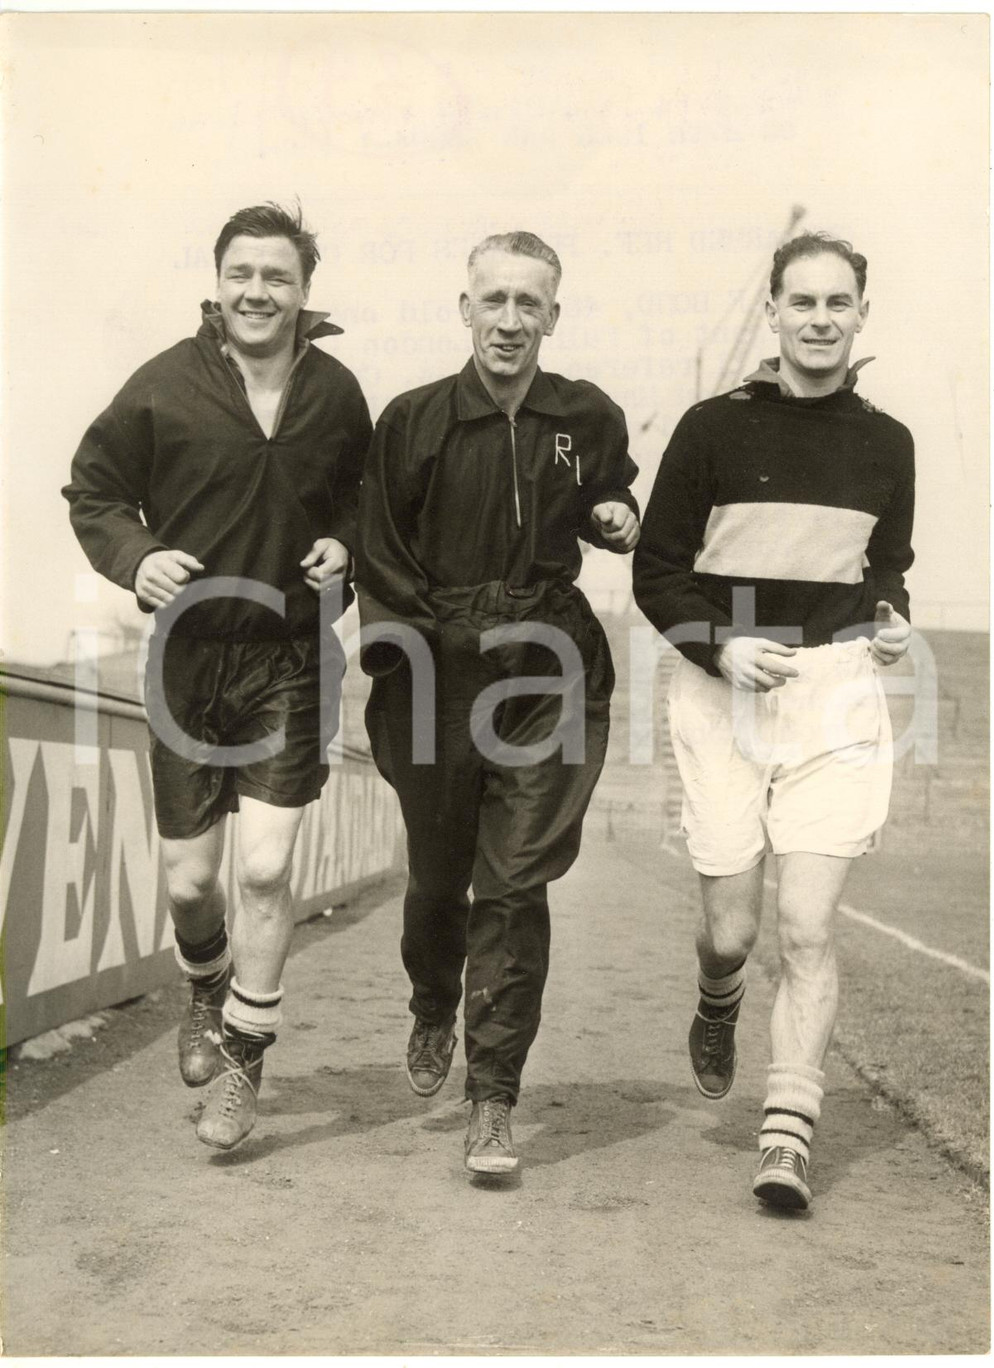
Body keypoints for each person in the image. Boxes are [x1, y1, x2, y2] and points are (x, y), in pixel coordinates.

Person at [63, 203, 372, 1151]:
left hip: (289, 657)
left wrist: (346, 550)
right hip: (190, 659)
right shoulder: (164, 385)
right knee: (192, 883)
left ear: (305, 293)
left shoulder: (337, 393)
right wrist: (136, 557)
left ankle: (243, 1057)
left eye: (277, 277)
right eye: (242, 273)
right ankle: (205, 976)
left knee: (268, 867)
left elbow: (370, 500)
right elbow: (95, 490)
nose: (257, 292)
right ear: (218, 281)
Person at [633, 232, 914, 1210]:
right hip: (723, 693)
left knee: (804, 925)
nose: (820, 319)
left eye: (839, 303)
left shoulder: (888, 442)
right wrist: (720, 645)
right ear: (773, 311)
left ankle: (787, 1132)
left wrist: (888, 619)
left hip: (832, 693)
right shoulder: (711, 429)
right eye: (803, 302)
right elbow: (655, 570)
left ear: (861, 316)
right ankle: (716, 999)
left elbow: (887, 567)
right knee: (731, 931)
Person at [355, 231, 639, 1176]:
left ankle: (494, 1095)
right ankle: (434, 999)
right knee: (440, 881)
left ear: (553, 316)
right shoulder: (412, 422)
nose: (510, 321)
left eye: (531, 304)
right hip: (438, 669)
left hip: (548, 666)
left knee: (514, 885)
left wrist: (616, 517)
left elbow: (611, 495)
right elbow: (381, 560)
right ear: (464, 308)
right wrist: (426, 658)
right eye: (495, 301)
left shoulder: (586, 414)